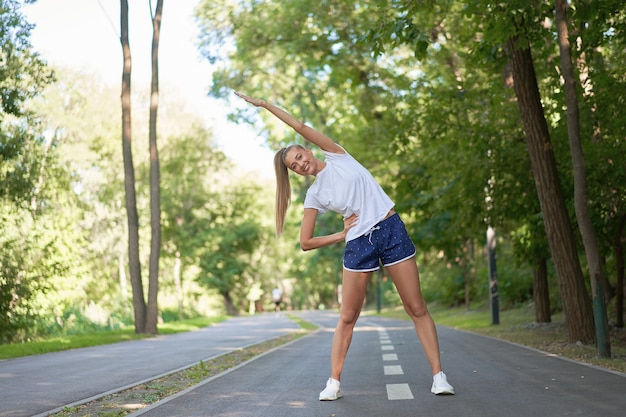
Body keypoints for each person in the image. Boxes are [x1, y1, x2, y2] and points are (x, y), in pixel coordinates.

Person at [235, 91, 455, 401]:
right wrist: (340, 235)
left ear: (309, 151)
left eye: (300, 157)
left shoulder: (338, 155)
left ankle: (439, 376)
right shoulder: (314, 196)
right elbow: (305, 242)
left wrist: (266, 105)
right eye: (295, 167)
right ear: (295, 173)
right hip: (357, 244)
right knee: (348, 317)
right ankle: (334, 383)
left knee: (416, 307)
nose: (301, 164)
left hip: (391, 229)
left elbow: (299, 125)